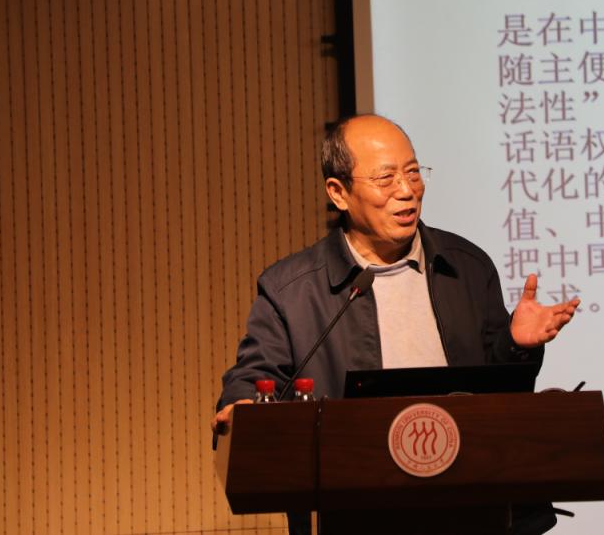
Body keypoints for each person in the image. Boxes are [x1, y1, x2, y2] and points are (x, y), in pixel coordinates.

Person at [212, 114, 579, 534]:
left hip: (471, 512)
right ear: (338, 192)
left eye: (413, 173)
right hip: (353, 515)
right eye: (385, 178)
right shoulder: (291, 290)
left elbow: (497, 398)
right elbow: (255, 376)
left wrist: (516, 344)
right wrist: (242, 405)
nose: (406, 191)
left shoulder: (467, 267)